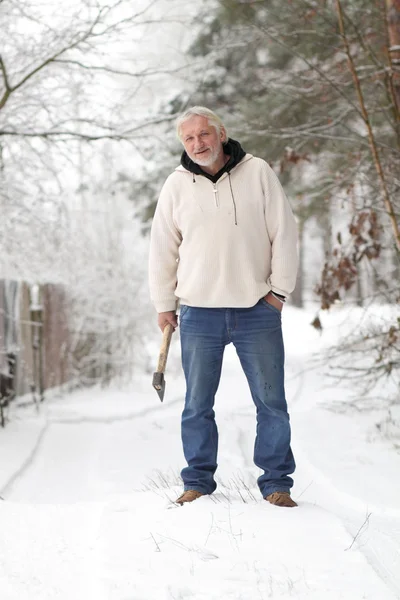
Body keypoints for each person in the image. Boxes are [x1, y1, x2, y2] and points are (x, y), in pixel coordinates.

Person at [149, 106, 298, 508]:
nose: (198, 144)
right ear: (184, 143)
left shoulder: (258, 172)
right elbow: (162, 248)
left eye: (204, 134)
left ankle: (276, 484)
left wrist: (278, 293)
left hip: (256, 309)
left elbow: (284, 233)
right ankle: (197, 482)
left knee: (271, 402)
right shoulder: (176, 185)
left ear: (221, 133)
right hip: (199, 313)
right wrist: (165, 304)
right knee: (197, 404)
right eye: (189, 138)